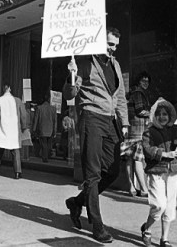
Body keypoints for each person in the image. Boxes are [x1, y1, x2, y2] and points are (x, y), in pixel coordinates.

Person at [63, 27, 129, 243]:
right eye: (110, 44)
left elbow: (120, 96)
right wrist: (71, 75)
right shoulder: (84, 62)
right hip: (91, 117)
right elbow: (69, 95)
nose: (113, 49)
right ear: (99, 42)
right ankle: (97, 225)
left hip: (111, 121)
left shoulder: (115, 64)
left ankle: (77, 202)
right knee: (93, 174)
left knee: (112, 169)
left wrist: (125, 123)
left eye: (116, 46)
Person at [140, 98, 177, 247]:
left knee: (169, 206)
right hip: (157, 171)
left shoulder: (175, 131)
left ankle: (164, 238)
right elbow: (147, 149)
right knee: (159, 205)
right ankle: (147, 229)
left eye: (165, 114)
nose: (162, 117)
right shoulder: (149, 131)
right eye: (159, 114)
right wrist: (163, 154)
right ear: (154, 116)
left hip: (173, 172)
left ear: (170, 116)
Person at [122, 71, 157, 197]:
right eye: (143, 81)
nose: (146, 83)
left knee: (129, 159)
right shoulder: (138, 93)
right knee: (138, 159)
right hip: (138, 131)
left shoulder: (132, 92)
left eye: (147, 81)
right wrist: (153, 112)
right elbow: (140, 110)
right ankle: (144, 189)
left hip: (130, 129)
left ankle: (131, 187)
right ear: (139, 81)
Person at [0, 82, 27, 179]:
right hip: (14, 129)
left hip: (2, 128)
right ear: (10, 88)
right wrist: (24, 126)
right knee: (15, 151)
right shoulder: (18, 101)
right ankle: (17, 172)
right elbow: (23, 115)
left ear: (3, 88)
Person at [33, 91, 56, 162]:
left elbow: (36, 119)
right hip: (50, 129)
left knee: (44, 144)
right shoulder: (53, 109)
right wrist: (54, 131)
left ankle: (45, 157)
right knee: (48, 144)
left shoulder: (39, 108)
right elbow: (55, 121)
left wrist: (34, 130)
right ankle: (46, 156)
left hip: (42, 129)